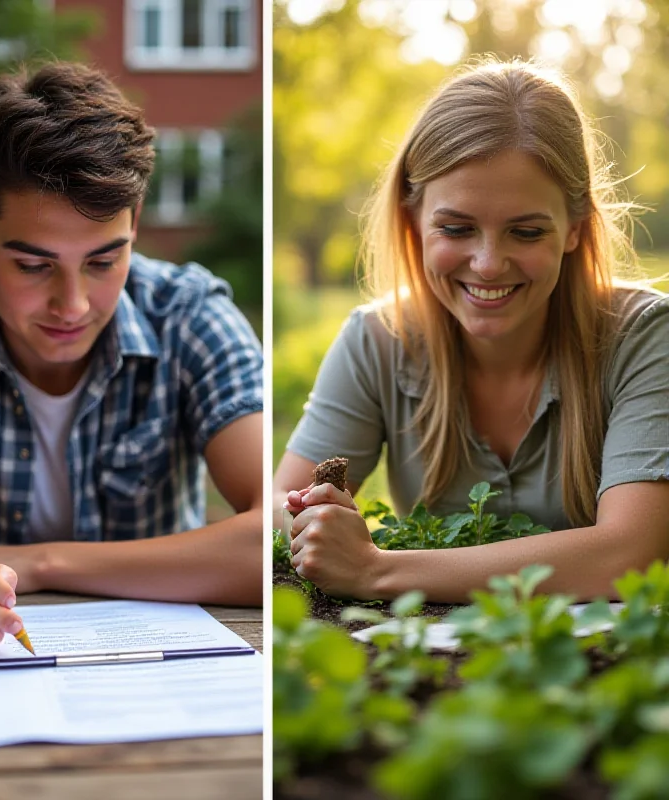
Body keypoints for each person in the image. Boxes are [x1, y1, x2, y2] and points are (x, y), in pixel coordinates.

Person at [0, 62, 263, 657]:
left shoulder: (190, 316)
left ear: (135, 223)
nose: (73, 305)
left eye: (105, 262)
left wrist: (41, 564)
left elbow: (278, 537)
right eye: (33, 265)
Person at [274, 58, 669, 603]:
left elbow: (631, 552)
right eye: (457, 228)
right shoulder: (376, 339)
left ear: (575, 229)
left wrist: (375, 570)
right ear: (414, 221)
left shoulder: (645, 336)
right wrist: (307, 520)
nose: (487, 263)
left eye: (525, 232)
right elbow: (278, 500)